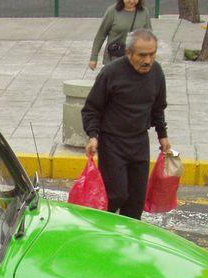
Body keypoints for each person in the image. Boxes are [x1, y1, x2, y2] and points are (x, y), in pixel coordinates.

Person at [82, 29, 171, 220]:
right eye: (142, 55)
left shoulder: (156, 72)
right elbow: (91, 109)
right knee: (117, 194)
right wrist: (93, 136)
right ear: (129, 53)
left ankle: (128, 243)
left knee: (136, 201)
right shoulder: (111, 73)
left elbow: (158, 107)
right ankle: (100, 228)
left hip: (139, 141)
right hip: (112, 143)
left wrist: (162, 135)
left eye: (152, 54)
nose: (148, 60)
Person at [89, 0, 152, 71]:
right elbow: (101, 34)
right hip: (114, 59)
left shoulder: (144, 12)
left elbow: (148, 37)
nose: (132, 1)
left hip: (135, 60)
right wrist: (93, 57)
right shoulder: (112, 11)